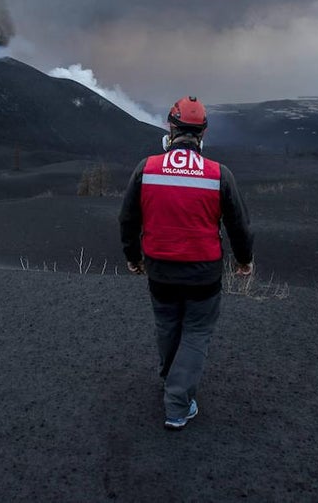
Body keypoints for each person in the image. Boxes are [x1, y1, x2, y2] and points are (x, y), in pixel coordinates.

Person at [119, 95, 254, 430]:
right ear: (202, 132)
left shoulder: (146, 169)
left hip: (160, 271)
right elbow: (239, 224)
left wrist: (133, 258)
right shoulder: (218, 174)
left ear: (171, 126)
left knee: (167, 325)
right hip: (203, 274)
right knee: (196, 332)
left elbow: (127, 219)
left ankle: (171, 380)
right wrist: (244, 260)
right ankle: (178, 403)